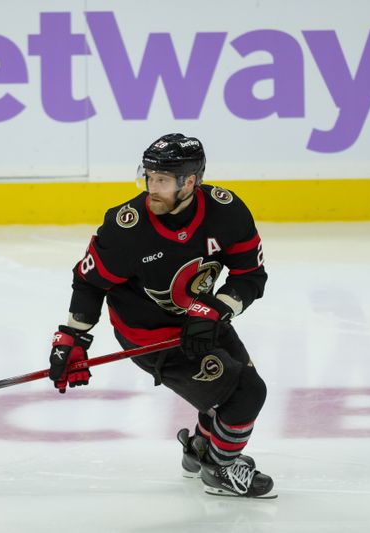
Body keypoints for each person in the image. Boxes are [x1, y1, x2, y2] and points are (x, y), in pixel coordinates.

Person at [48, 133, 274, 498]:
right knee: (247, 395)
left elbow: (251, 275)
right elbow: (89, 282)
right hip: (152, 338)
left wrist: (216, 309)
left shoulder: (227, 211)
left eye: (162, 181)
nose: (152, 188)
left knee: (232, 395)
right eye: (148, 177)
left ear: (190, 181)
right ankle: (220, 468)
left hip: (204, 320)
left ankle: (202, 449)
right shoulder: (127, 228)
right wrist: (73, 337)